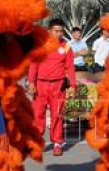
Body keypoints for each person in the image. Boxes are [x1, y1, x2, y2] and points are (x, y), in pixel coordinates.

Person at [28, 18, 76, 156]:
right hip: (41, 85)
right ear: (49, 32)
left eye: (61, 31)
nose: (59, 34)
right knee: (38, 115)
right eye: (56, 31)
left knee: (57, 115)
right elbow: (34, 65)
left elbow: (70, 68)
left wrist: (73, 85)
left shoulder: (66, 47)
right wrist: (31, 83)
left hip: (59, 85)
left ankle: (57, 143)